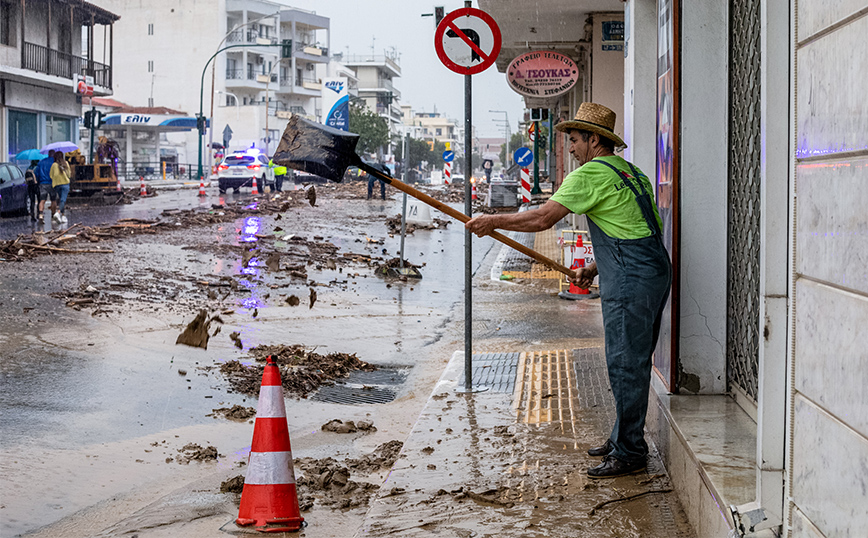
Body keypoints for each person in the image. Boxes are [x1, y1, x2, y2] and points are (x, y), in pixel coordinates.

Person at [465, 102, 672, 479]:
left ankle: (629, 451)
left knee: (626, 363)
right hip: (654, 270)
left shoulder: (590, 173)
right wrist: (594, 268)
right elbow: (637, 229)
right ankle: (621, 438)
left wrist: (492, 220)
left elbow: (543, 218)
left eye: (575, 140)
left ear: (595, 139)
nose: (572, 149)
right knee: (634, 360)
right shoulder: (631, 172)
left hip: (630, 279)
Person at [50, 151, 72, 224]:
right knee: (63, 200)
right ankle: (58, 213)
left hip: (57, 185)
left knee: (60, 200)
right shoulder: (66, 163)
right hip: (65, 184)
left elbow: (51, 175)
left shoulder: (53, 165)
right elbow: (69, 175)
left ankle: (62, 216)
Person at [35, 150, 56, 221]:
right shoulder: (55, 162)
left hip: (43, 183)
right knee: (53, 200)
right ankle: (53, 215)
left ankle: (41, 214)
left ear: (48, 154)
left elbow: (36, 172)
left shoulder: (41, 162)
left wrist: (38, 180)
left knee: (42, 200)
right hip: (53, 183)